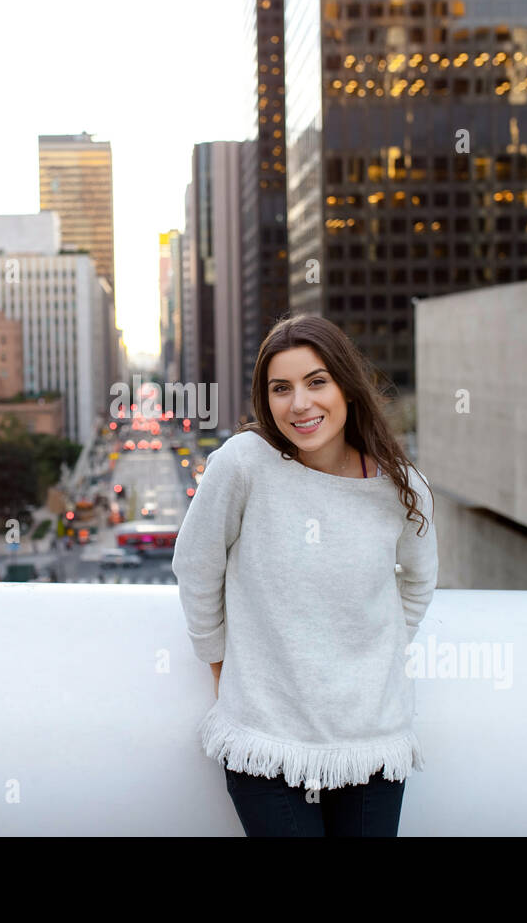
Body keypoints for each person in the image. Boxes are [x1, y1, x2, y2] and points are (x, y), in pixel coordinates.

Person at [172, 314, 438, 837]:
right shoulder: (245, 463)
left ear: (346, 386)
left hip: (372, 742)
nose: (300, 404)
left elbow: (418, 580)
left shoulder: (401, 486)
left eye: (317, 382)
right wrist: (218, 660)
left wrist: (377, 654)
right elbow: (197, 564)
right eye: (281, 388)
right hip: (265, 739)